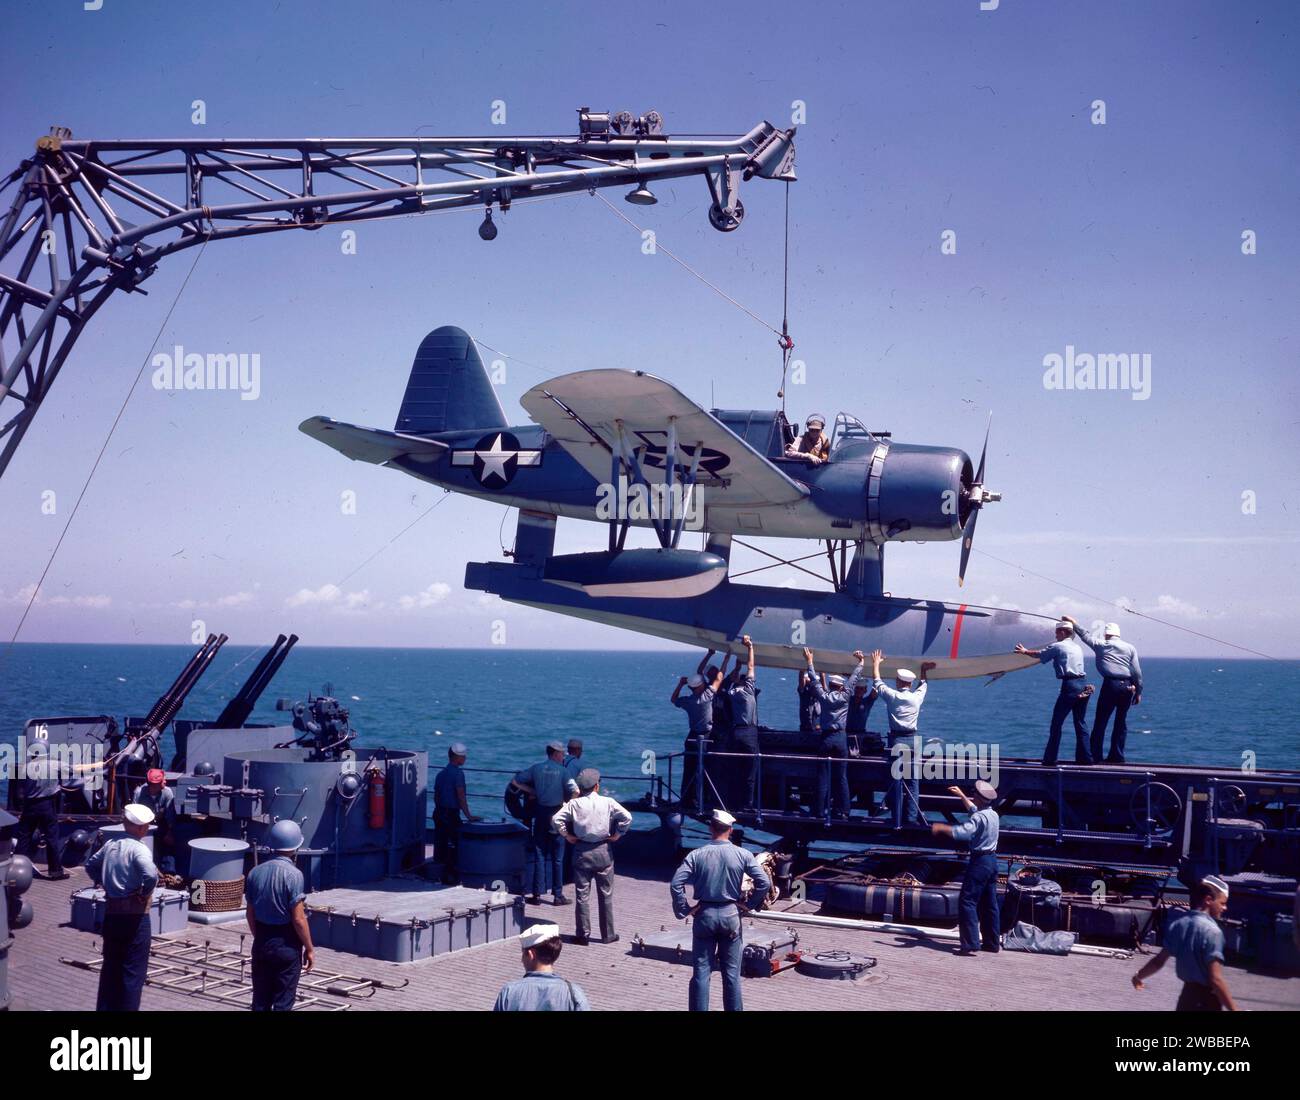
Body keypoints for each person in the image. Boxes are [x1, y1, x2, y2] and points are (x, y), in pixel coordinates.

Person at [670, 809, 772, 1012]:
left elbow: (676, 884)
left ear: (710, 828)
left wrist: (685, 909)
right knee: (732, 975)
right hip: (730, 915)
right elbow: (763, 882)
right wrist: (749, 905)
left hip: (704, 915)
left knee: (701, 973)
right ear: (731, 830)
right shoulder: (742, 854)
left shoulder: (696, 855)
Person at [84, 804, 160, 1011]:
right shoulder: (140, 849)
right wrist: (143, 893)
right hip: (134, 918)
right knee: (132, 974)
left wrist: (101, 881)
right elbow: (151, 875)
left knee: (110, 970)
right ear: (143, 828)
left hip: (112, 914)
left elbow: (90, 865)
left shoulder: (111, 845)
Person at [551, 768, 632, 945]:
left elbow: (556, 819)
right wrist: (618, 834)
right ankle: (608, 935)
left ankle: (582, 934)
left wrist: (567, 835)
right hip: (603, 850)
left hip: (582, 851)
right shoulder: (608, 802)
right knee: (606, 894)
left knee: (582, 896)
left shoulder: (574, 804)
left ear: (581, 788)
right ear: (596, 786)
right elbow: (627, 817)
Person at [1132, 876, 1237, 1011]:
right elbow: (1215, 979)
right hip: (1207, 1001)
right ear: (1208, 900)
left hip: (1186, 998)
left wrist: (1138, 976)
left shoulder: (1178, 925)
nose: (1225, 908)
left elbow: (1158, 962)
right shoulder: (1213, 932)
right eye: (1222, 903)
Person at [244, 819, 315, 1011]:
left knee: (260, 1001)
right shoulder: (294, 875)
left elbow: (249, 914)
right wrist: (309, 948)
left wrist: (260, 937)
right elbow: (299, 919)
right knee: (283, 1002)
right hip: (287, 943)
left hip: (262, 940)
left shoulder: (254, 873)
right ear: (295, 846)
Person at [931, 781, 1001, 956]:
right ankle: (992, 943)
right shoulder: (993, 815)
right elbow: (974, 811)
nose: (972, 797)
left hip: (979, 862)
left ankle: (970, 943)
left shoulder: (978, 818)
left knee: (967, 901)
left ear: (978, 797)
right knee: (989, 903)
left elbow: (963, 832)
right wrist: (961, 795)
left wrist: (942, 828)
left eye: (973, 795)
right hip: (992, 862)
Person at [1063, 615, 1143, 764]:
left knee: (1101, 721)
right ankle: (1117, 756)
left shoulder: (1101, 644)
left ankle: (1096, 756)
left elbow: (1085, 635)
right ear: (1118, 634)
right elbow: (1137, 672)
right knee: (1121, 722)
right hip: (1127, 686)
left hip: (1110, 685)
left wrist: (1074, 622)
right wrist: (1138, 691)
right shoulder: (1130, 647)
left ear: (1106, 634)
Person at [870, 650, 935, 827]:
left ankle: (896, 815)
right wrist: (924, 670)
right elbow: (923, 685)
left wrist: (876, 663)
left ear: (899, 681)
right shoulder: (916, 698)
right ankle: (911, 818)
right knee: (913, 781)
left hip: (897, 741)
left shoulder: (893, 696)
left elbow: (877, 682)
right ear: (910, 683)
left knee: (896, 779)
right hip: (913, 741)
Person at [1015, 620, 1093, 766]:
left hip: (1070, 686)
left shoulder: (1059, 646)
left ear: (1063, 632)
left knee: (1056, 724)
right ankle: (1086, 759)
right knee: (1080, 723)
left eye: (1057, 632)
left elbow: (1040, 655)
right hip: (1083, 684)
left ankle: (1050, 760)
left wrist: (1024, 651)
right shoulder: (1077, 647)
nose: (1055, 635)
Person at [802, 648, 866, 819]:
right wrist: (861, 662)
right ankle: (843, 811)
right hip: (840, 738)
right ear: (841, 686)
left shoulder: (823, 696)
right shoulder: (845, 696)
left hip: (826, 738)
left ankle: (818, 811)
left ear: (830, 685)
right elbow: (853, 680)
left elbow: (814, 680)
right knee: (841, 777)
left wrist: (809, 661)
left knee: (822, 776)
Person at [511, 741, 570, 905]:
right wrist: (567, 805)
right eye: (562, 754)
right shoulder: (563, 771)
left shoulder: (536, 768)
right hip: (557, 814)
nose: (563, 756)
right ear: (556, 754)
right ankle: (558, 896)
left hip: (541, 815)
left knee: (540, 854)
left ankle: (536, 895)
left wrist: (532, 791)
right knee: (558, 857)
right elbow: (574, 790)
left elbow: (516, 781)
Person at [493, 924, 591, 1011]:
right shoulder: (573, 993)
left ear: (531, 954)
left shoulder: (509, 992)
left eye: (523, 954)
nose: (521, 960)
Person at [671, 652, 726, 808]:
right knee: (705, 769)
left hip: (691, 737)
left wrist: (680, 685)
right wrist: (727, 657)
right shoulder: (707, 696)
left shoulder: (689, 701)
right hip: (705, 737)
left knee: (689, 769)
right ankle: (701, 800)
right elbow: (719, 678)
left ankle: (686, 799)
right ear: (701, 685)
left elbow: (673, 700)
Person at [15, 743, 69, 880]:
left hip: (29, 806)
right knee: (52, 837)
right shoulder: (55, 764)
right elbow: (74, 770)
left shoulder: (25, 767)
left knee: (24, 837)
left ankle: (16, 869)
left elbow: (20, 791)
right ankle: (55, 871)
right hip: (47, 805)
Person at [433, 743, 480, 883]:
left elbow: (436, 796)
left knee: (441, 844)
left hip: (439, 812)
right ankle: (452, 875)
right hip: (451, 814)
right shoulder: (458, 774)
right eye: (463, 756)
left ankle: (439, 874)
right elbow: (461, 796)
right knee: (455, 844)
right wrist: (468, 815)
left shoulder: (440, 774)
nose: (465, 758)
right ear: (457, 758)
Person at [724, 636, 760, 810]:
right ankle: (748, 803)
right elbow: (751, 666)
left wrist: (736, 667)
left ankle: (732, 801)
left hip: (735, 732)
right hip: (749, 733)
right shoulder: (749, 690)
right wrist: (750, 647)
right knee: (750, 770)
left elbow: (730, 679)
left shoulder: (731, 692)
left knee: (735, 768)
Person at [131, 768, 177, 873]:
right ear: (154, 785)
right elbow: (134, 814)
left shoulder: (167, 793)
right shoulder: (139, 793)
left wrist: (170, 833)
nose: (165, 781)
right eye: (162, 780)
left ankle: (168, 872)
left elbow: (170, 815)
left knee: (168, 844)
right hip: (143, 824)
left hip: (161, 823)